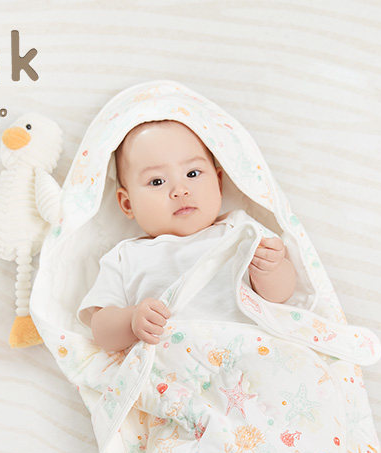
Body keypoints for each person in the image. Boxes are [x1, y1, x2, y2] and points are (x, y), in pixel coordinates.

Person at [78, 120, 297, 353]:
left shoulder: (240, 230)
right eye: (157, 181)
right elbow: (101, 330)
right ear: (127, 203)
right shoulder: (125, 257)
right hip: (172, 366)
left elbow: (280, 297)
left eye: (192, 173)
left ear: (219, 182)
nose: (180, 190)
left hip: (248, 352)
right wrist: (131, 321)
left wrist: (270, 269)